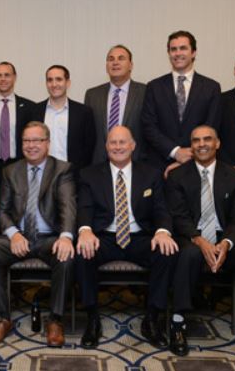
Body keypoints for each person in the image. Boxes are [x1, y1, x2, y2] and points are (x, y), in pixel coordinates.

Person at [166, 126, 235, 354]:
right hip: (192, 236)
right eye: (196, 140)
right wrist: (200, 241)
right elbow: (179, 217)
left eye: (207, 139)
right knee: (188, 254)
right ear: (191, 146)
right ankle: (178, 322)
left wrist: (226, 244)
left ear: (218, 143)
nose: (201, 144)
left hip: (225, 237)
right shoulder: (176, 176)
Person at [75, 126, 178, 348]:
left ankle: (152, 318)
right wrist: (85, 230)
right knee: (83, 252)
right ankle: (92, 318)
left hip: (140, 236)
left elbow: (161, 209)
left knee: (166, 252)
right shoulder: (89, 174)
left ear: (133, 145)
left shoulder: (150, 173)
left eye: (123, 142)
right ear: (106, 147)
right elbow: (84, 207)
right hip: (105, 236)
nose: (118, 147)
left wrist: (162, 232)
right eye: (113, 143)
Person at [0, 122, 75, 347]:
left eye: (37, 140)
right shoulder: (11, 171)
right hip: (19, 237)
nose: (31, 146)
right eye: (26, 141)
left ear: (47, 144)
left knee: (67, 256)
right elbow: (1, 211)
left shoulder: (62, 169)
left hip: (49, 237)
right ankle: (1, 317)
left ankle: (55, 319)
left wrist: (66, 237)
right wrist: (14, 234)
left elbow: (68, 207)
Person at [141, 30, 221, 171]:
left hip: (199, 164)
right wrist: (175, 151)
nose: (178, 53)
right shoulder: (154, 87)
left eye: (183, 48)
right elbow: (148, 126)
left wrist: (190, 154)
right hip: (160, 164)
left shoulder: (211, 87)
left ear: (194, 52)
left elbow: (211, 126)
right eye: (173, 49)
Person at [84, 45, 147, 164]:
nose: (115, 62)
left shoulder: (145, 92)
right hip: (99, 165)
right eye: (111, 59)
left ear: (131, 65)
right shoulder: (92, 95)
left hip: (136, 163)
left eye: (121, 58)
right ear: (106, 66)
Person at [27, 65, 95, 172]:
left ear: (68, 83)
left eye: (59, 79)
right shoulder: (34, 111)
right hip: (41, 175)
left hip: (73, 176)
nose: (54, 84)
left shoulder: (83, 112)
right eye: (50, 80)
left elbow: (89, 147)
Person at [0, 61, 35, 184]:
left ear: (14, 77)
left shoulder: (29, 107)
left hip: (20, 166)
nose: (2, 79)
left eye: (7, 75)